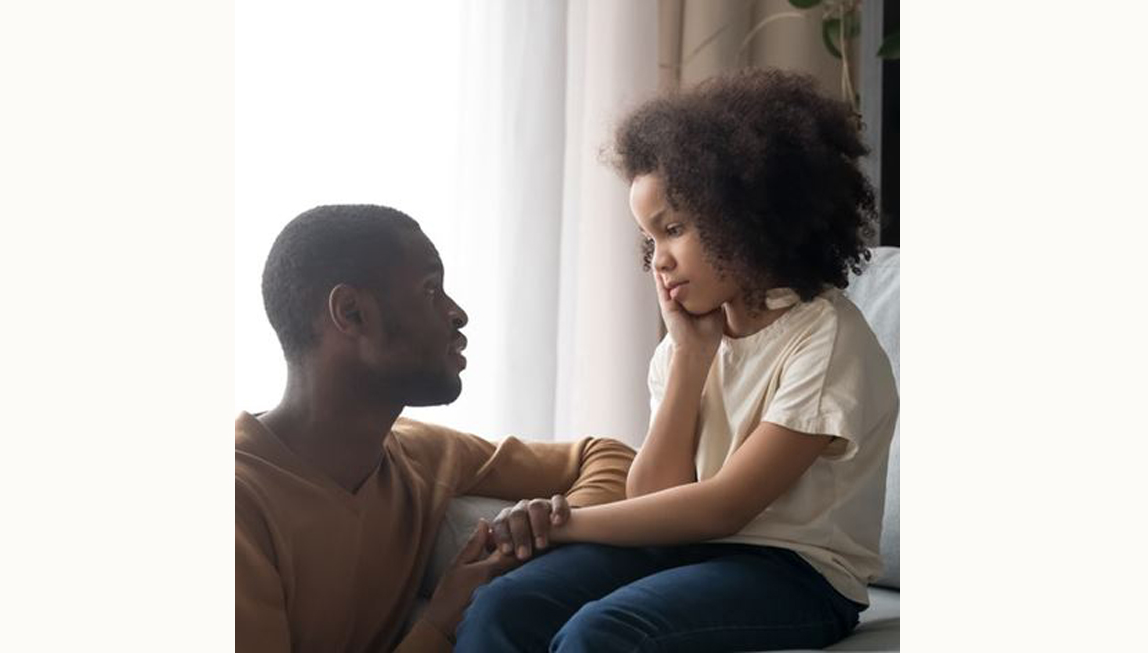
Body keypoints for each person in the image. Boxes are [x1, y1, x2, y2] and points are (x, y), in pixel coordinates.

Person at [456, 68, 899, 652]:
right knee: (503, 605)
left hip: (798, 575)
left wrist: (563, 523)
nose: (658, 260)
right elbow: (651, 496)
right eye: (650, 239)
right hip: (690, 552)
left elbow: (724, 507)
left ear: (744, 215)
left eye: (674, 230)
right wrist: (690, 361)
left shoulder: (826, 340)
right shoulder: (684, 345)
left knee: (603, 633)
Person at [235, 204, 635, 652]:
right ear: (351, 313)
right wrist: (440, 625)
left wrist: (551, 534)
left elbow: (607, 456)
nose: (458, 314)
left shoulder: (417, 454)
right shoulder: (238, 507)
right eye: (431, 290)